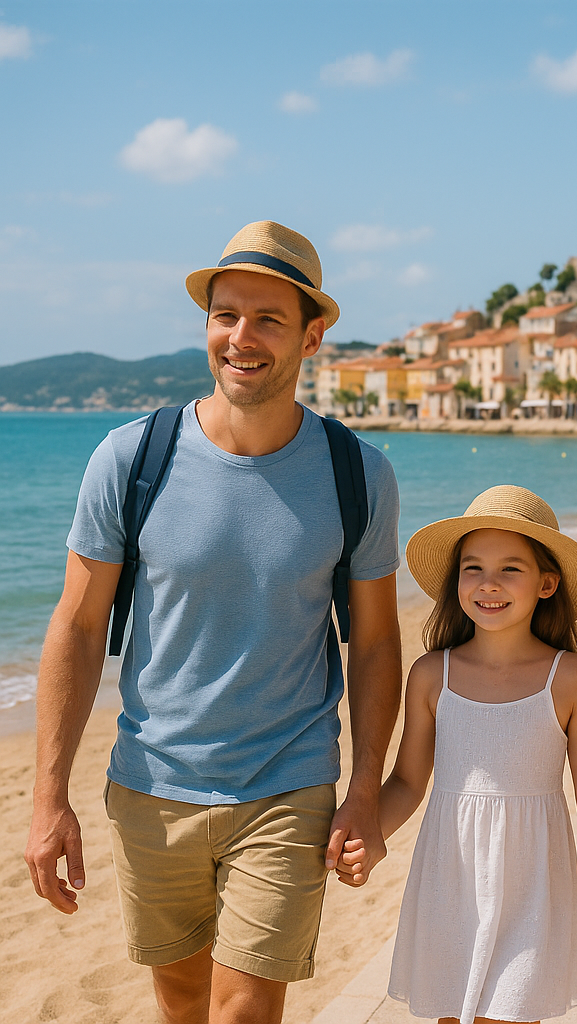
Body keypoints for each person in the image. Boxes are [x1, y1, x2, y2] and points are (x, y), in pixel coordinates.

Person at [24, 221, 403, 1024]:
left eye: (268, 319)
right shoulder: (130, 459)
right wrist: (48, 795)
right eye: (226, 315)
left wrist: (364, 789)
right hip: (151, 782)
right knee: (182, 1002)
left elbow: (373, 641)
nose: (241, 338)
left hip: (288, 779)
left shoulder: (358, 474)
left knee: (243, 1011)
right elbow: (79, 626)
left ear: (312, 337)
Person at [337, 485, 577, 1024]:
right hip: (451, 878)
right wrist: (369, 832)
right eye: (473, 568)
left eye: (510, 569)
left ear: (547, 583)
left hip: (532, 883)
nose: (488, 583)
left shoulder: (572, 678)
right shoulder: (432, 674)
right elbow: (408, 781)